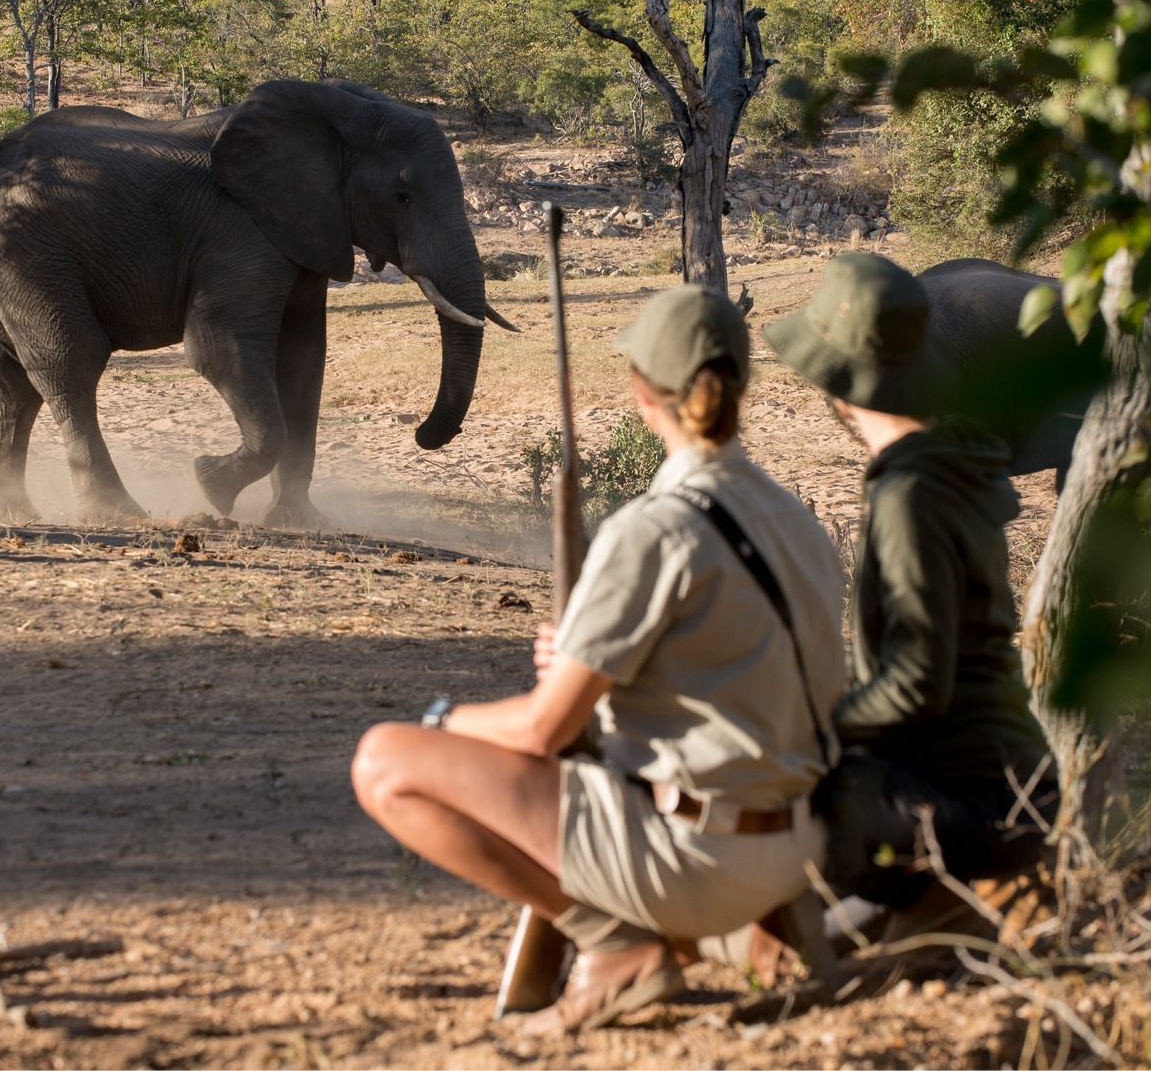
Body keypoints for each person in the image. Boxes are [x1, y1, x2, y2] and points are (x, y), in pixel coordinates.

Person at [351, 284, 847, 1034]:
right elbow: (738, 662)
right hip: (797, 851)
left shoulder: (654, 529)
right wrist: (592, 663)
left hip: (698, 856)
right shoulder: (798, 522)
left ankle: (614, 943)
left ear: (643, 392)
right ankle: (732, 935)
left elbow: (542, 732)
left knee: (385, 761)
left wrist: (446, 719)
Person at [761, 252, 1058, 917]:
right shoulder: (956, 470)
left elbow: (917, 683)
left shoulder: (911, 493)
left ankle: (925, 913)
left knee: (773, 790)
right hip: (1008, 787)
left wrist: (815, 729)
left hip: (966, 803)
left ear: (842, 386)